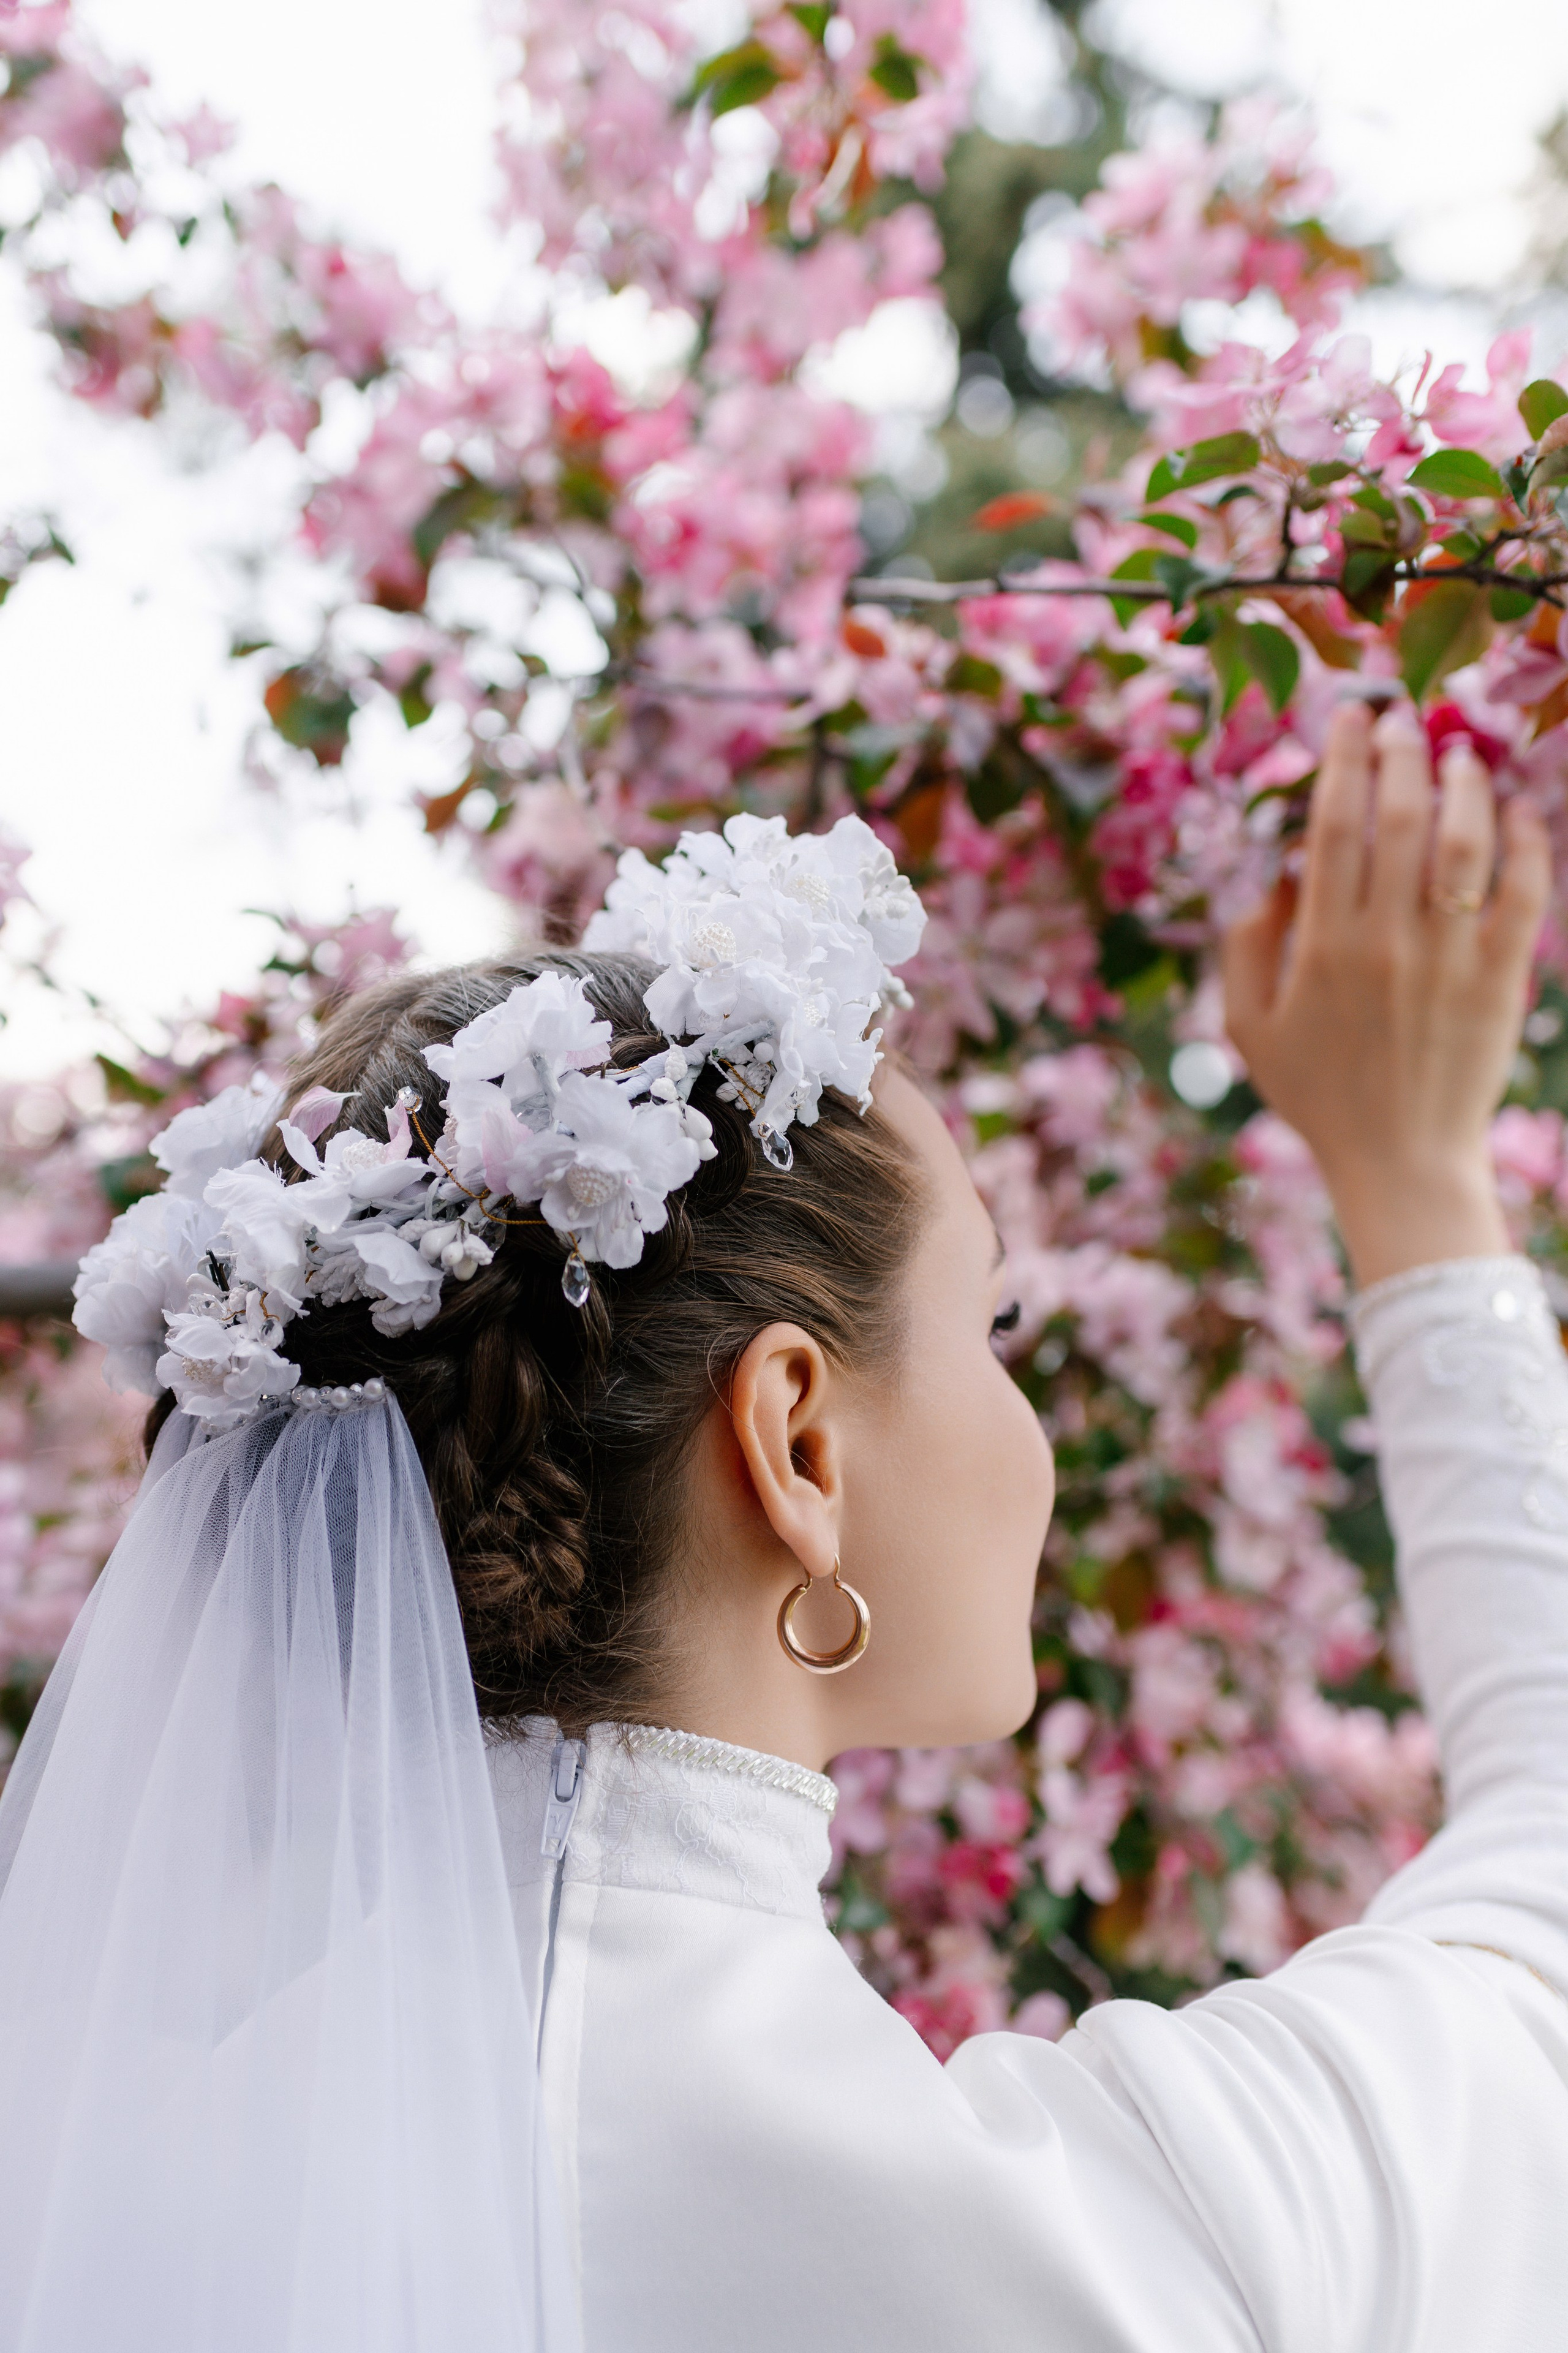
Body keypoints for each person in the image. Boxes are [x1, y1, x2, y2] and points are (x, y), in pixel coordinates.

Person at [2, 699, 1565, 2351]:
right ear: (796, 1439)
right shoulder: (1144, 2215)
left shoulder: (118, 2188)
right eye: (996, 1325)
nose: (1023, 1419)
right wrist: (1418, 1180)